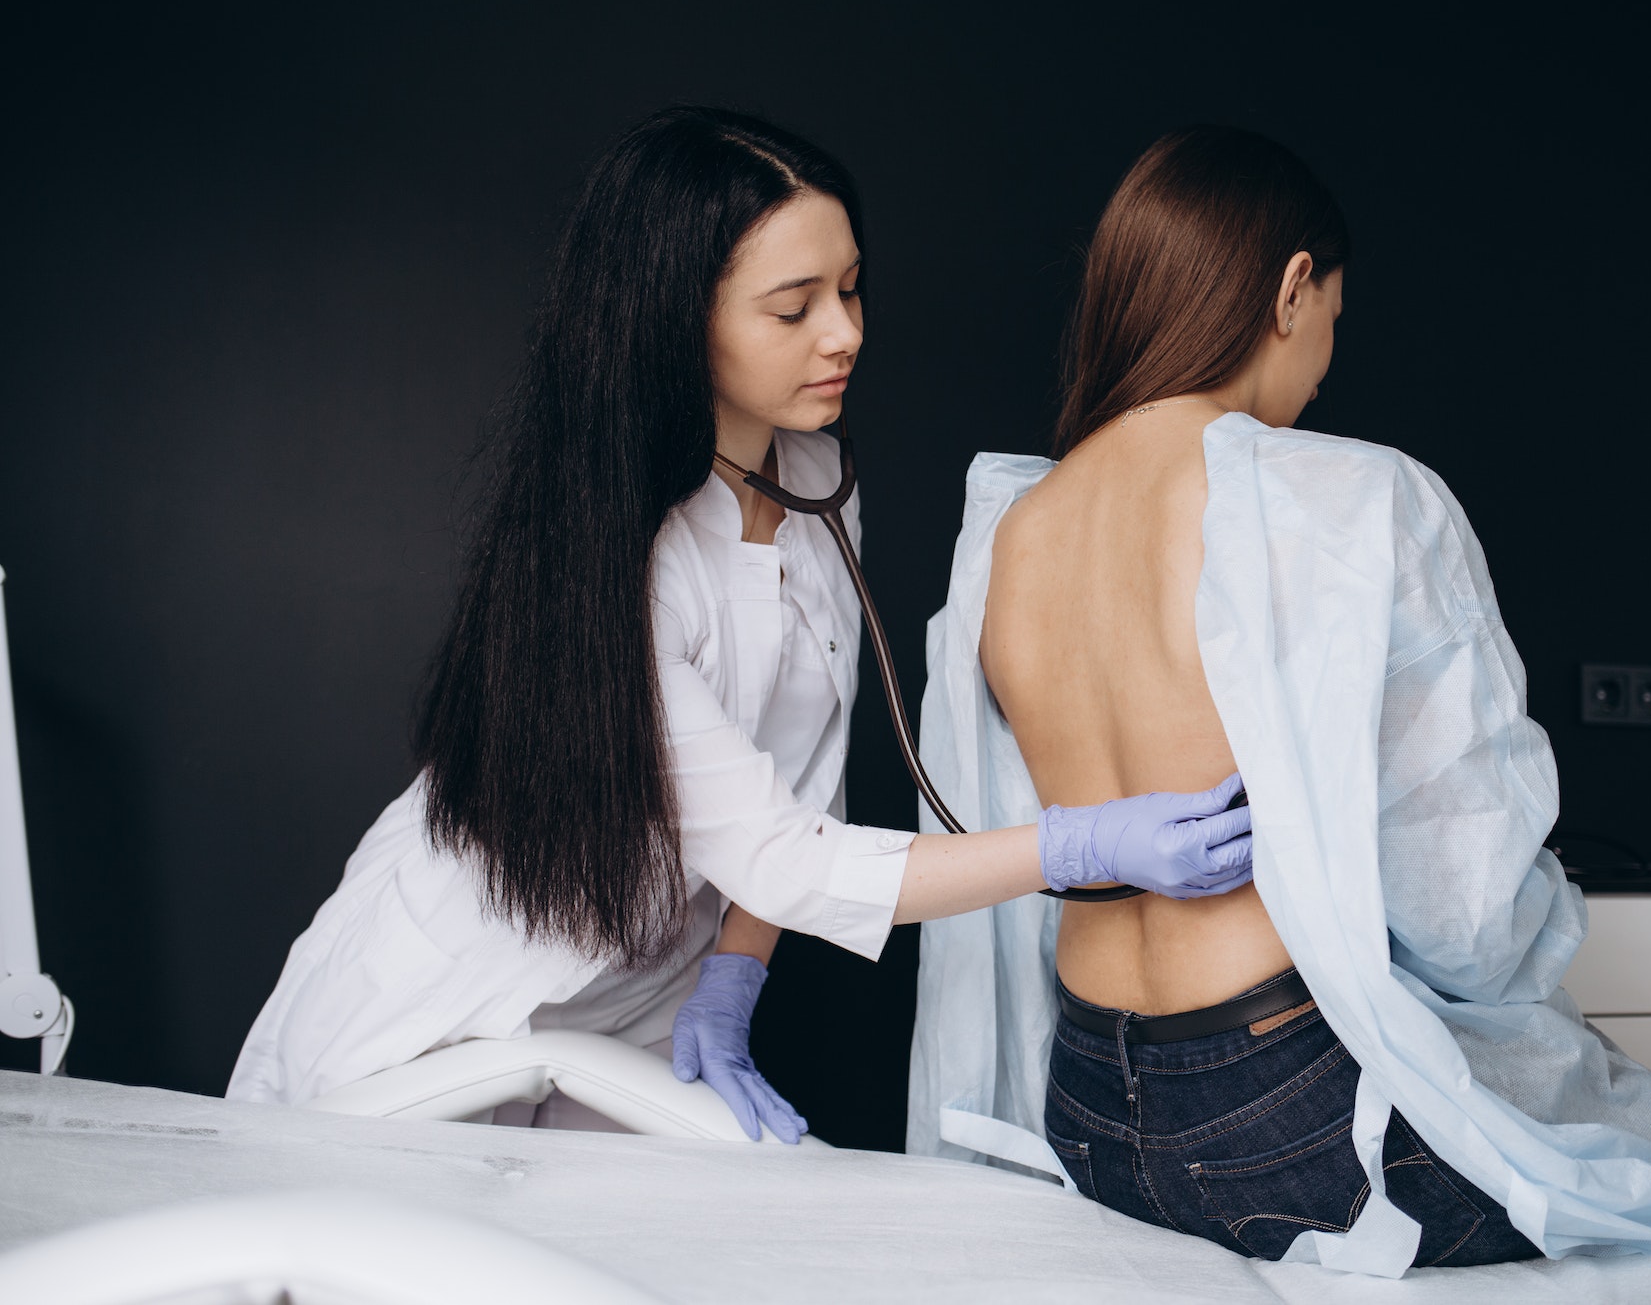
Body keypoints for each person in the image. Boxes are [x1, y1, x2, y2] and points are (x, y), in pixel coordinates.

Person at [909, 125, 1651, 1272]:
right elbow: (1471, 914)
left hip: (1087, 1105)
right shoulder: (1349, 497)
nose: (1325, 358)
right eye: (1333, 316)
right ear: (1291, 289)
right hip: (1284, 1122)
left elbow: (1007, 853)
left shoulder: (1011, 532)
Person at [228, 108, 1253, 1143]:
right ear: (675, 321)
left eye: (849, 289)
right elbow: (786, 853)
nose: (844, 333)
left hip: (636, 1006)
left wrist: (734, 969)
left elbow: (796, 776)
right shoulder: (621, 559)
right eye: (792, 308)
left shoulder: (816, 483)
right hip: (445, 1006)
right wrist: (1070, 846)